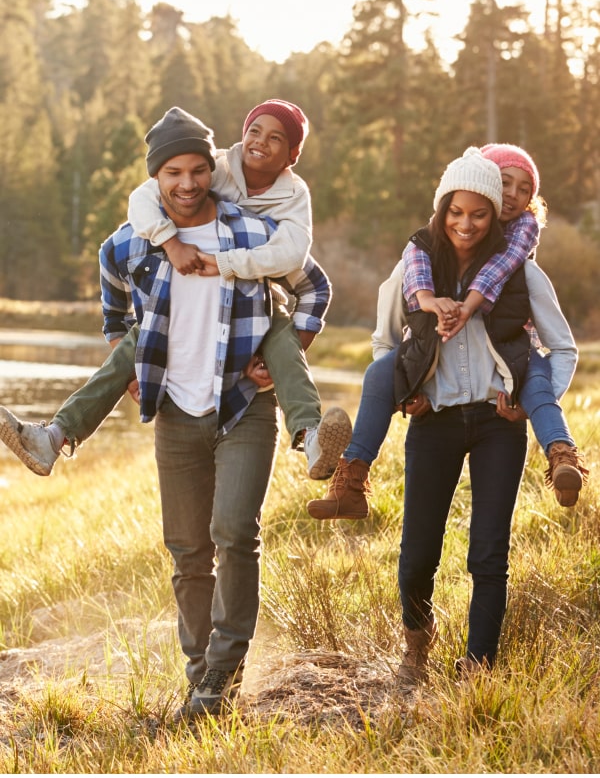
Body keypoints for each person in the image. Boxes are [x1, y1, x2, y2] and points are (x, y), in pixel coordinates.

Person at [98, 114, 331, 721]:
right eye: (173, 172)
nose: (187, 182)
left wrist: (287, 349)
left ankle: (224, 672)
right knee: (187, 550)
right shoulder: (135, 239)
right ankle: (201, 675)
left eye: (199, 169)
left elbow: (314, 283)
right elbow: (111, 285)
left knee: (234, 532)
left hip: (242, 405)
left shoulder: (251, 231)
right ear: (155, 179)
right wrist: (127, 354)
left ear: (213, 170)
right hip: (175, 408)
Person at [317, 146, 578, 684]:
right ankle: (417, 644)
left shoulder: (522, 274)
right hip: (433, 422)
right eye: (457, 212)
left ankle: (479, 665)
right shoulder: (415, 268)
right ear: (443, 210)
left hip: (495, 425)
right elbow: (383, 343)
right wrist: (407, 390)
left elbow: (563, 349)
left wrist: (528, 402)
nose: (467, 223)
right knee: (417, 551)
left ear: (493, 216)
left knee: (488, 552)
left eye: (480, 213)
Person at [0, 102, 351, 483]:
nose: (261, 142)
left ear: (292, 154)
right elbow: (143, 199)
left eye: (276, 138)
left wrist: (280, 354)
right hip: (180, 308)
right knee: (137, 341)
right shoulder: (213, 167)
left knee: (282, 338)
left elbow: (297, 258)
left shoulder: (292, 198)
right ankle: (52, 438)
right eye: (255, 131)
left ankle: (311, 436)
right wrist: (169, 242)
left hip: (257, 305)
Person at [307, 143, 587, 520]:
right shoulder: (423, 249)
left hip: (510, 361)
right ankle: (352, 477)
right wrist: (409, 386)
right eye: (505, 183)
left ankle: (562, 454)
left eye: (524, 189)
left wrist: (467, 307)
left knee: (536, 378)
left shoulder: (519, 248)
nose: (513, 196)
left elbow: (502, 272)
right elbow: (393, 317)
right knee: (378, 373)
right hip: (434, 391)